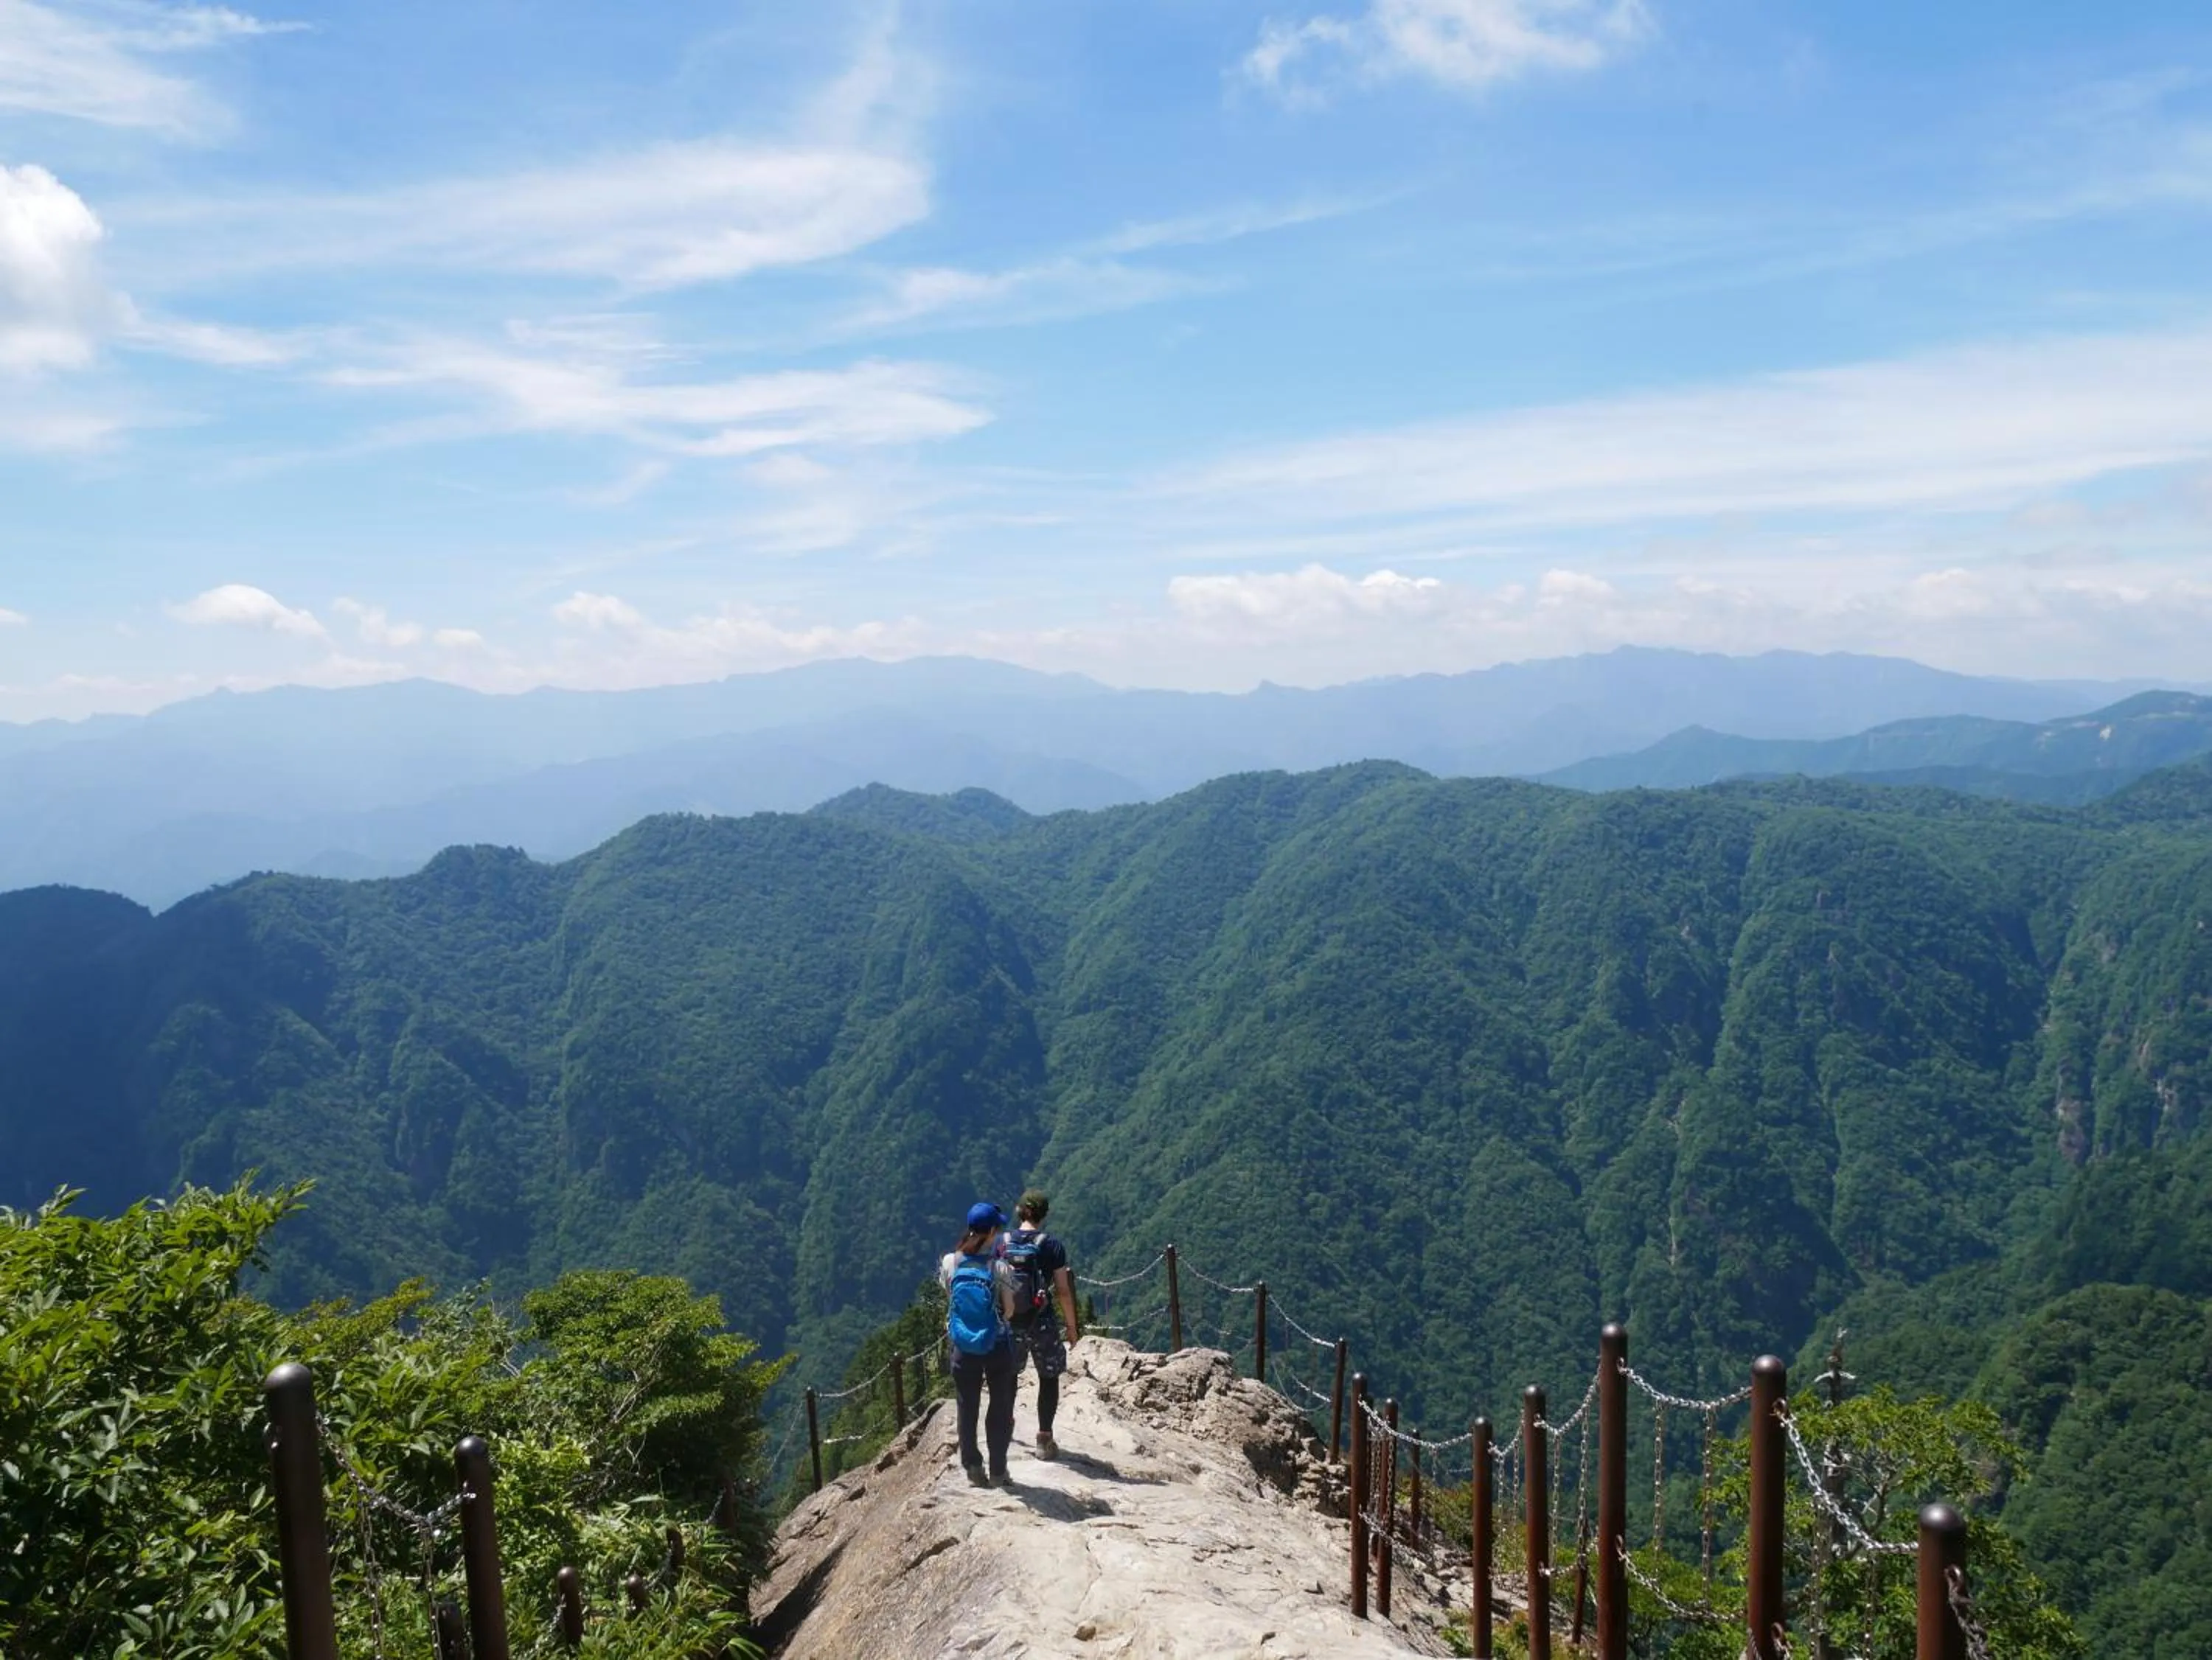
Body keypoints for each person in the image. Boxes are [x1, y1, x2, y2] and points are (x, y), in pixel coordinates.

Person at [940, 1201, 1017, 1487]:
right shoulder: (1000, 1268)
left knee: (966, 1405)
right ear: (993, 1231)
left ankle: (973, 1467)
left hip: (962, 1343)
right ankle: (998, 1471)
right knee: (999, 1405)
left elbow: (952, 1299)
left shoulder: (951, 1262)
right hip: (995, 1345)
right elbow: (1009, 1311)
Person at [999, 1189, 1080, 1460]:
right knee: (1048, 1376)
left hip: (1011, 1320)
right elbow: (1063, 1290)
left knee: (1009, 1374)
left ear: (1020, 1211)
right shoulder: (1051, 1245)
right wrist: (1071, 1326)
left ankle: (1005, 1426)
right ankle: (1044, 1440)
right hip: (1042, 1320)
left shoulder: (1003, 1241)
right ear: (1044, 1215)